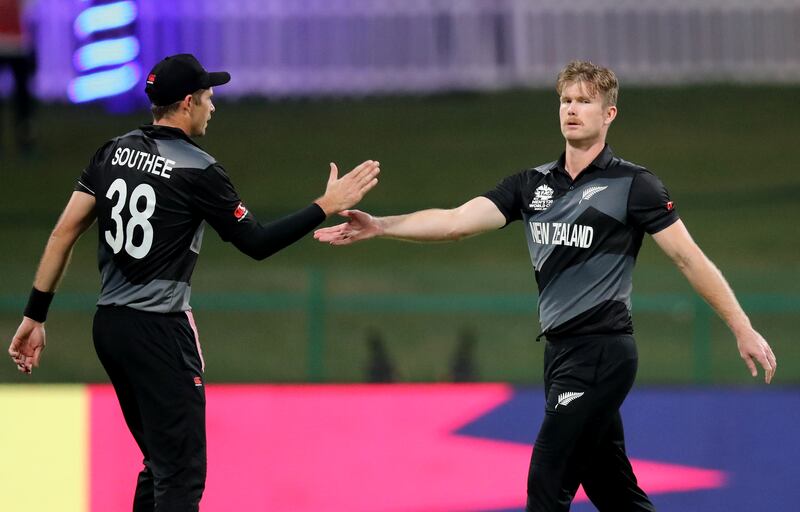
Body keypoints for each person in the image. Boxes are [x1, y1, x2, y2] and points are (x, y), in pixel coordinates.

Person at [313, 60, 777, 511]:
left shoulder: (635, 185)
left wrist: (741, 326)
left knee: (546, 484)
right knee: (612, 489)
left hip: (601, 351)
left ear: (609, 114)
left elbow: (687, 258)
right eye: (565, 100)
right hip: (560, 353)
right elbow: (455, 221)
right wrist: (380, 224)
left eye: (584, 101)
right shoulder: (532, 184)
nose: (571, 109)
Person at [7, 53, 379, 511]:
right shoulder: (198, 168)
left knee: (161, 464)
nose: (213, 107)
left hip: (110, 328)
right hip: (160, 332)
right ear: (186, 103)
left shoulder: (111, 152)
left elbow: (64, 231)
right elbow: (257, 243)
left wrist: (34, 315)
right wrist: (324, 205)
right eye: (207, 97)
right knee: (181, 475)